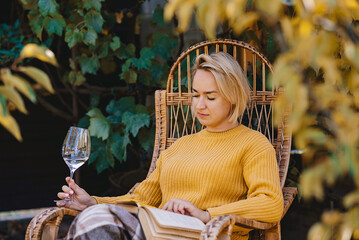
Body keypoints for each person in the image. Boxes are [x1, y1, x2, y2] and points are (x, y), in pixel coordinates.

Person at [56, 52, 284, 240]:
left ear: (233, 96)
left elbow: (271, 203)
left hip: (207, 234)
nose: (200, 105)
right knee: (94, 218)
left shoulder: (253, 144)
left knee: (95, 222)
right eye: (195, 95)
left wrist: (206, 214)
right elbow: (142, 198)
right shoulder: (179, 146)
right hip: (158, 231)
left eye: (210, 97)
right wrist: (93, 201)